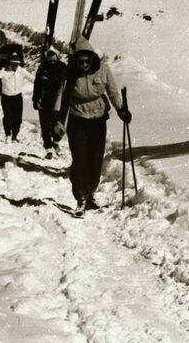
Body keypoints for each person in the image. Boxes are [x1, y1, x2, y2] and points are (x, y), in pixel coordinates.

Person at [52, 38, 130, 214]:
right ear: (75, 61)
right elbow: (61, 97)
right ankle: (80, 196)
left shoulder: (104, 70)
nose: (84, 64)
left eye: (88, 61)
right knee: (80, 158)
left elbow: (112, 92)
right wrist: (57, 120)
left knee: (95, 159)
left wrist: (121, 110)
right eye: (81, 62)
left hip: (98, 118)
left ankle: (90, 193)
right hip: (77, 118)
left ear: (93, 59)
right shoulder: (70, 73)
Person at [32, 48, 66, 157]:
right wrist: (35, 100)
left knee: (57, 124)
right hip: (44, 100)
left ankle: (55, 142)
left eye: (54, 60)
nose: (51, 62)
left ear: (57, 57)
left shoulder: (62, 67)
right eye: (49, 60)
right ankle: (48, 148)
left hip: (58, 100)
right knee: (45, 125)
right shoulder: (42, 67)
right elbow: (37, 84)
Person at [0, 55, 28, 141]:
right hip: (6, 98)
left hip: (17, 97)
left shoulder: (21, 71)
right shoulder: (4, 71)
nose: (15, 67)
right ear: (10, 64)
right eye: (13, 65)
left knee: (18, 118)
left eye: (17, 65)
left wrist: (44, 83)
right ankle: (7, 134)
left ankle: (15, 135)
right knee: (8, 116)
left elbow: (32, 78)